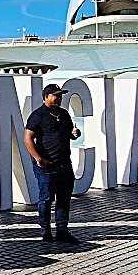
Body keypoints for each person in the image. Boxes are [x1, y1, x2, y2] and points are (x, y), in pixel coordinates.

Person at [24, 83, 81, 243]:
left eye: (60, 96)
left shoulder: (64, 114)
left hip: (64, 163)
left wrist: (75, 133)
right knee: (47, 198)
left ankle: (62, 230)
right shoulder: (38, 115)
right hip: (46, 165)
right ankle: (45, 231)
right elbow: (28, 138)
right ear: (46, 97)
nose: (58, 98)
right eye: (55, 95)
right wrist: (38, 158)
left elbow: (70, 133)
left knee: (64, 198)